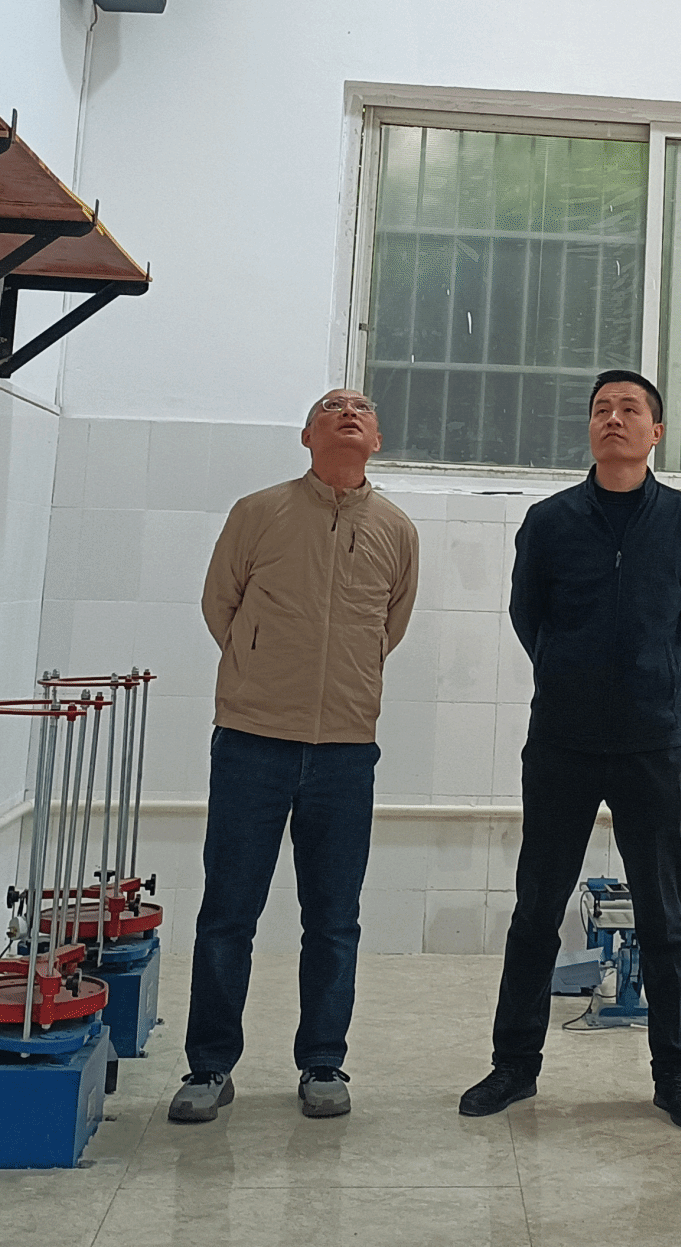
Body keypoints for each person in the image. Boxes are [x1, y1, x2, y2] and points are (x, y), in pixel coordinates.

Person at [458, 370, 681, 1128]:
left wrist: (654, 675)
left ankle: (676, 1075)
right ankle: (514, 1066)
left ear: (655, 432)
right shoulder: (551, 520)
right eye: (602, 408)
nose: (614, 418)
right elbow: (527, 613)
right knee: (536, 908)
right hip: (562, 742)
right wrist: (568, 670)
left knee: (663, 914)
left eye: (630, 409)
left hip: (649, 741)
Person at [169, 388, 418, 1125]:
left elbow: (391, 624)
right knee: (228, 915)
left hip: (346, 749)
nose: (348, 414)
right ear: (306, 435)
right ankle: (209, 1067)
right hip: (252, 740)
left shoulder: (397, 530)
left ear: (377, 439)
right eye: (331, 408)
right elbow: (220, 605)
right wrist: (260, 672)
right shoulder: (258, 513)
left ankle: (323, 1062)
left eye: (362, 409)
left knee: (334, 921)